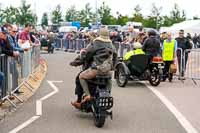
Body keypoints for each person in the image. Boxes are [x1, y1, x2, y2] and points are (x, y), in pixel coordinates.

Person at [71, 28, 117, 109]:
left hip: (96, 69)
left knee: (81, 76)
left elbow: (87, 54)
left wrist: (77, 62)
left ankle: (88, 95)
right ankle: (108, 93)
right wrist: (112, 67)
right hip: (107, 70)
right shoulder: (111, 44)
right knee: (109, 78)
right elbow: (115, 57)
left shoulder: (96, 42)